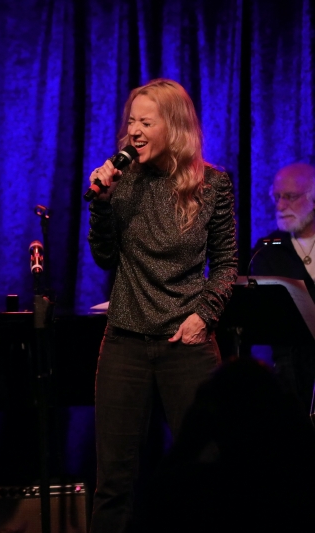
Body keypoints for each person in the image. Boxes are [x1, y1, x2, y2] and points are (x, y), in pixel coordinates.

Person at [86, 78, 237, 533]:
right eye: (131, 120)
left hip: (187, 344)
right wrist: (101, 205)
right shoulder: (124, 181)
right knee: (114, 480)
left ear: (173, 127)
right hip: (126, 343)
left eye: (145, 121)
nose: (133, 130)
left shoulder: (212, 184)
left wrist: (203, 316)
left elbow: (227, 263)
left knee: (207, 468)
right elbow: (105, 257)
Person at [250, 162, 315, 416]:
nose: (280, 206)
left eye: (290, 197)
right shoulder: (268, 249)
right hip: (287, 372)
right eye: (276, 197)